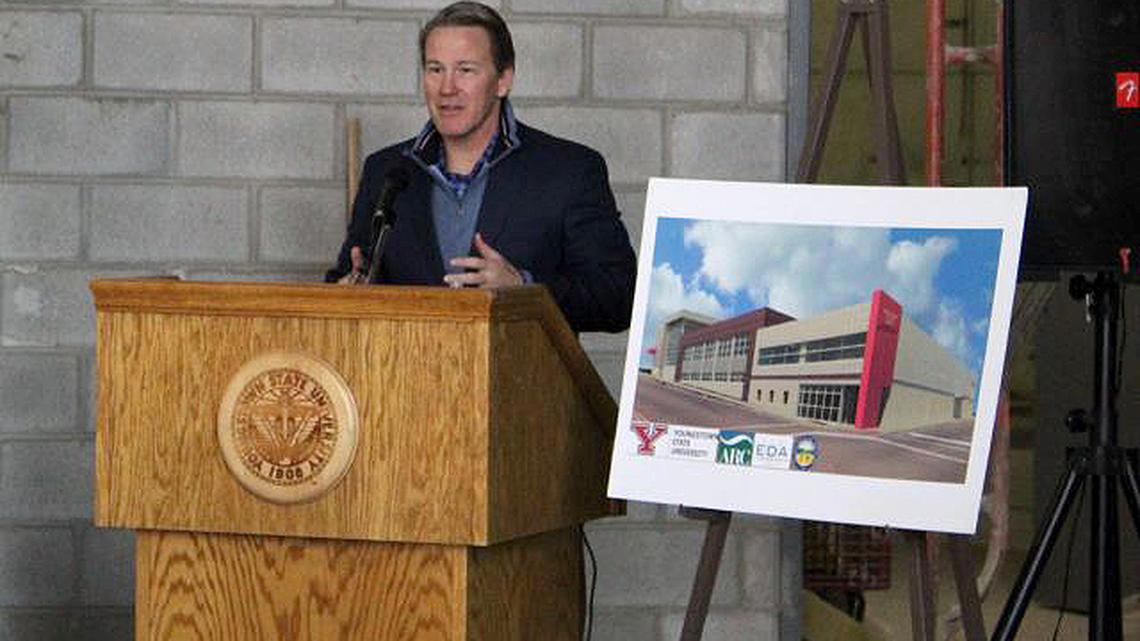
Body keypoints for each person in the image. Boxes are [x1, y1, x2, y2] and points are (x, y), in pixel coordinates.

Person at [326, 1, 637, 334]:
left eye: (466, 70)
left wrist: (525, 291)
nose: (447, 88)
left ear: (503, 80)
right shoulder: (386, 170)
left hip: (520, 383)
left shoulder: (569, 171)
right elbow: (348, 277)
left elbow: (619, 298)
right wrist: (347, 290)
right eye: (435, 69)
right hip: (406, 381)